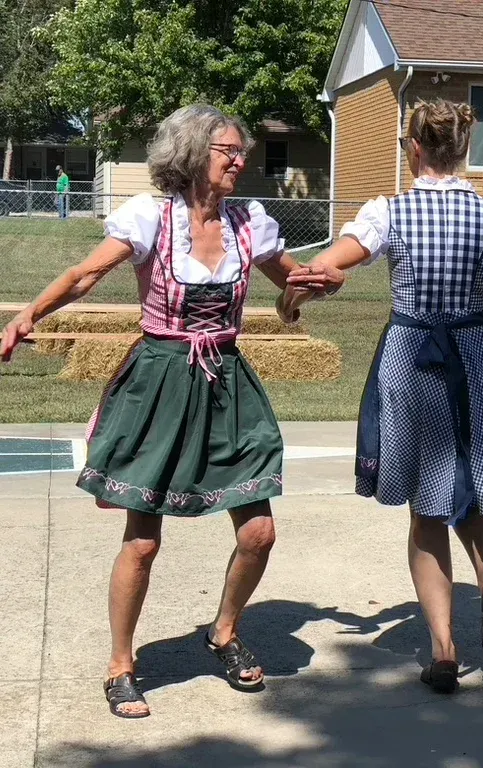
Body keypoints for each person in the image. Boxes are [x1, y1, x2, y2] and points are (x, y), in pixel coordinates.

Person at [0, 104, 340, 718]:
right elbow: (85, 275)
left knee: (259, 531)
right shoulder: (151, 218)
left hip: (228, 380)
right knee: (143, 541)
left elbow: (290, 288)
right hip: (159, 378)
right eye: (228, 152)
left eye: (243, 152)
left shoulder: (249, 223)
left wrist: (310, 286)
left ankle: (225, 632)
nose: (242, 161)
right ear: (191, 157)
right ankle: (121, 664)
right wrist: (29, 315)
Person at [282, 99, 483, 694]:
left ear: (412, 148)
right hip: (476, 354)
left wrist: (296, 297)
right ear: (464, 148)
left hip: (414, 355)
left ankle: (444, 651)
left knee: (427, 504)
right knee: (477, 479)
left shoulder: (386, 212)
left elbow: (329, 264)